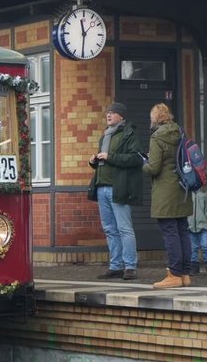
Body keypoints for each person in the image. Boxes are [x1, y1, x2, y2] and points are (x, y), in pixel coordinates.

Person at [87, 102, 144, 280]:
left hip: (118, 187)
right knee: (110, 229)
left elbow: (136, 159)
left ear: (121, 116)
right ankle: (115, 265)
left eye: (112, 113)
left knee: (124, 228)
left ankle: (130, 266)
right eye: (107, 113)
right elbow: (104, 161)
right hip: (102, 187)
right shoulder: (105, 136)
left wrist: (110, 157)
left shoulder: (129, 133)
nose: (108, 115)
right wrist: (94, 161)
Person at [143, 102, 193, 288]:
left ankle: (174, 274)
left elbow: (154, 168)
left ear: (155, 118)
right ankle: (185, 274)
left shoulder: (157, 137)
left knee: (170, 232)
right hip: (182, 189)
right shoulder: (179, 132)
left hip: (165, 191)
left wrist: (143, 164)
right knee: (183, 231)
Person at [188, 185, 207, 275]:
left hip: (204, 225)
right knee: (193, 248)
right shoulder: (188, 192)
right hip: (191, 226)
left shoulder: (204, 192)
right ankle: (194, 266)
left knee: (205, 245)